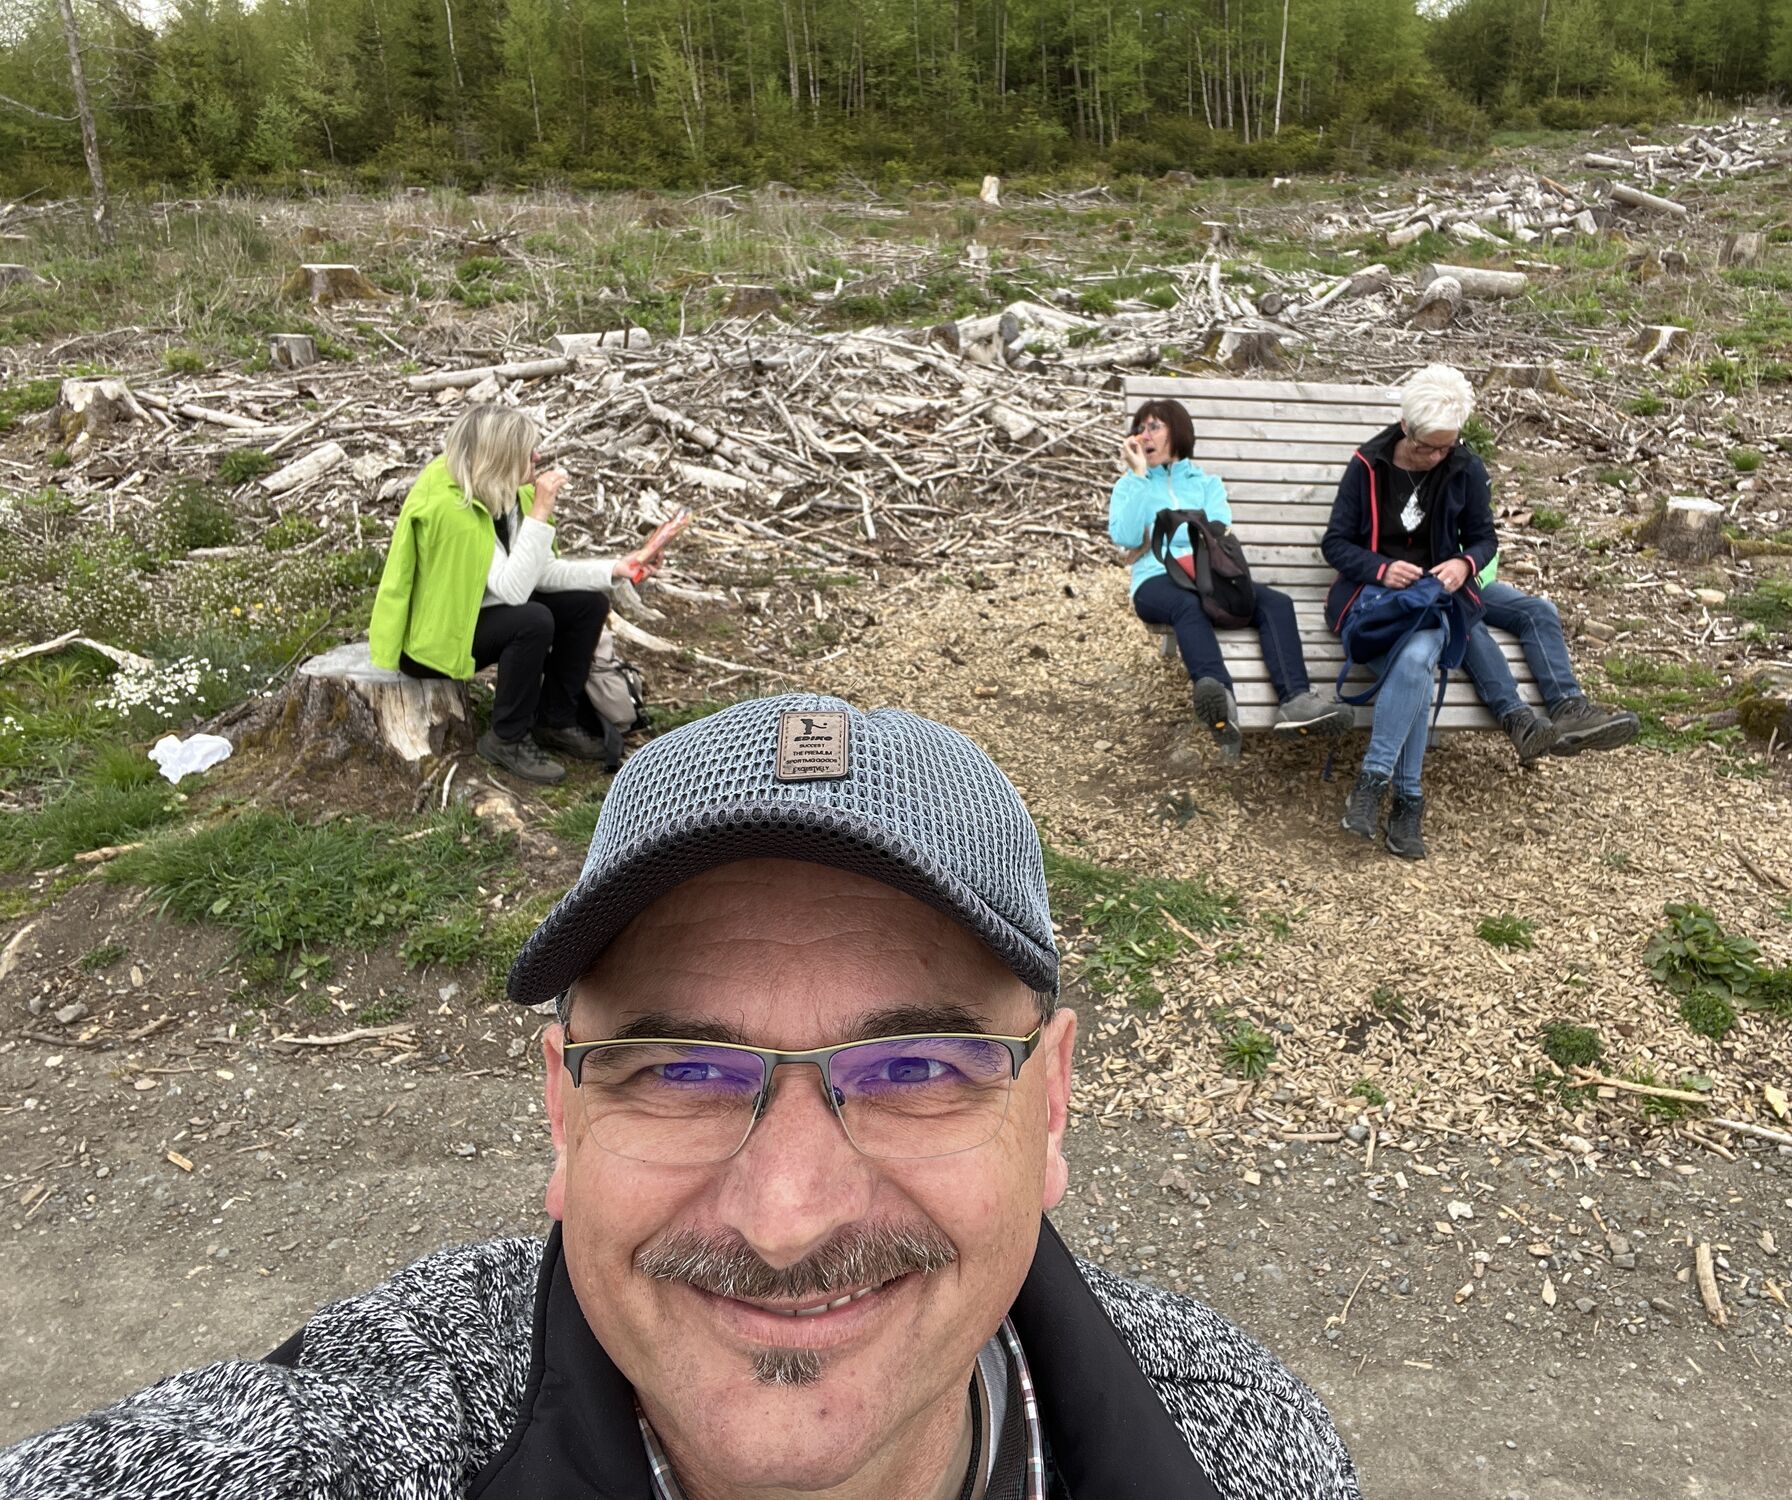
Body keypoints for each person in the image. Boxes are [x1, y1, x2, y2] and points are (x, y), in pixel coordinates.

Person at [0, 694, 1363, 1500]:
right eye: (679, 1071)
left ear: (1050, 1104)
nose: (785, 1217)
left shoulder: (1254, 1449)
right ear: (563, 1115)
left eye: (914, 1069)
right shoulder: (360, 1441)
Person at [367, 403, 657, 787]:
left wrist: (614, 569)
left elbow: (542, 572)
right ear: (501, 456)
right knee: (531, 620)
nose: (537, 456)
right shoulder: (451, 507)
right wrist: (540, 513)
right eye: (527, 450)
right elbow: (515, 591)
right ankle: (506, 737)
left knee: (587, 604)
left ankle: (555, 719)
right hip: (431, 644)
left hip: (477, 615)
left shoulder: (505, 492)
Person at [1320, 365, 1496, 861]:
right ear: (1405, 427)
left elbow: (1484, 539)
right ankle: (1407, 798)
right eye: (1426, 448)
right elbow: (1335, 543)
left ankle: (1372, 784)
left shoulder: (1464, 467)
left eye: (1446, 447)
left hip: (1434, 603)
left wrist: (1464, 564)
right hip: (1373, 604)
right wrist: (1380, 568)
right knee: (1415, 667)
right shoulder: (1367, 464)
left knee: (1417, 658)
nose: (1437, 457)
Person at [1110, 397, 1349, 760]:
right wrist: (1140, 476)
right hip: (1156, 579)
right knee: (1187, 605)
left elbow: (1217, 530)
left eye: (1154, 427)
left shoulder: (1207, 484)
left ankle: (1296, 701)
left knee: (1276, 603)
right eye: (1139, 429)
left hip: (1208, 574)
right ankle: (1220, 701)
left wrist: (1171, 526)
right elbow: (1127, 537)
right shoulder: (1130, 485)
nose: (1144, 436)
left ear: (1178, 433)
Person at [1460, 596, 1639, 765]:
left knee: (1540, 612)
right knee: (1465, 618)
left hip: (1473, 584)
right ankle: (1517, 721)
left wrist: (1467, 572)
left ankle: (1569, 708)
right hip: (1447, 594)